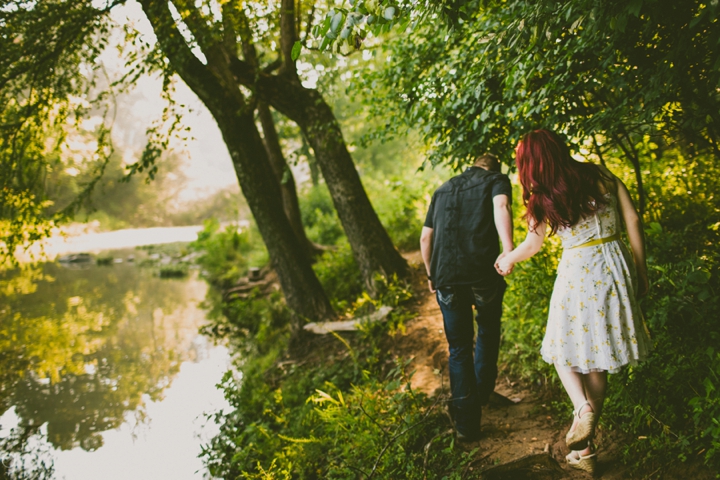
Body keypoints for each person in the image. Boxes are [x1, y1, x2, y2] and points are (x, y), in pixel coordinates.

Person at [495, 129, 652, 474]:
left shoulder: (543, 196)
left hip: (579, 269)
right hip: (615, 264)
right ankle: (586, 454)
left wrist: (508, 259)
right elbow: (634, 220)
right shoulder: (601, 175)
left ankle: (582, 409)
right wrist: (640, 272)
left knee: (561, 346)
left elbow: (532, 245)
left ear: (532, 163)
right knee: (597, 357)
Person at [420, 153, 514, 442]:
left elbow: (425, 238)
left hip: (446, 276)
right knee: (487, 327)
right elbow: (501, 206)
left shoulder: (442, 188)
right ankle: (483, 391)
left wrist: (430, 274)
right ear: (493, 168)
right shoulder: (496, 180)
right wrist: (508, 250)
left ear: (471, 163)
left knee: (458, 347)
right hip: (482, 273)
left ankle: (467, 425)